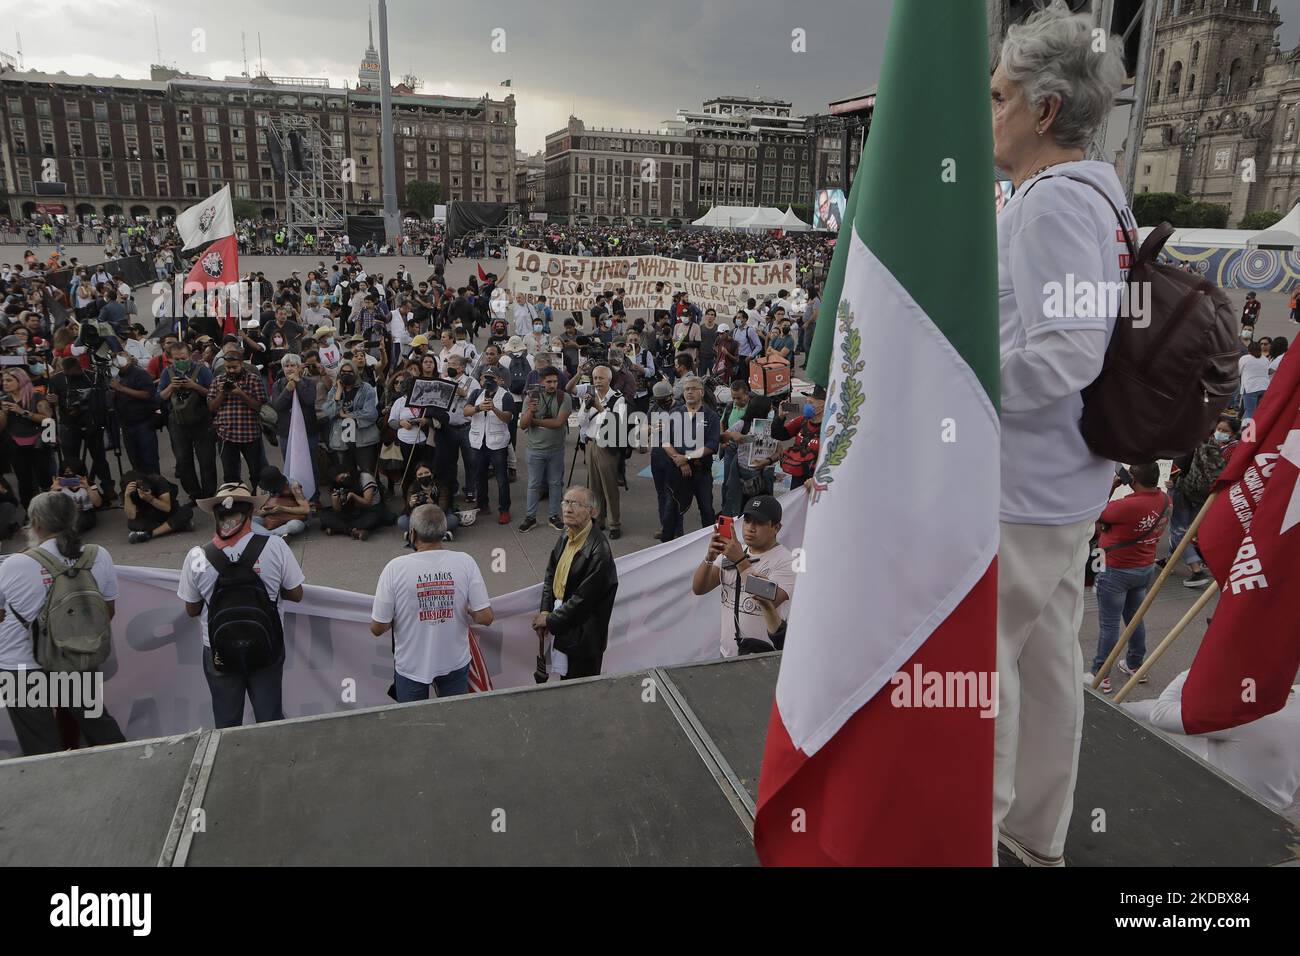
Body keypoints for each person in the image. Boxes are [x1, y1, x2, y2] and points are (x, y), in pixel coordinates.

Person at [990, 1, 1128, 868]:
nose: (990, 112)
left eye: (1000, 97)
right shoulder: (1100, 196)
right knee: (1046, 671)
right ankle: (1036, 837)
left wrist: (963, 386)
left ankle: (977, 837)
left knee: (987, 680)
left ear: (1044, 110)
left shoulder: (1049, 205)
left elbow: (1068, 349)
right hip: (1063, 481)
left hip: (1020, 487)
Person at [0, 492, 126, 756]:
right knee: (99, 728)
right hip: (77, 657)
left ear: (35, 523)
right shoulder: (97, 555)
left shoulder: (14, 565)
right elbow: (107, 611)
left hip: (21, 668)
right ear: (74, 517)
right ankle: (129, 769)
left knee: (40, 747)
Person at [179, 482, 305, 728]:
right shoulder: (276, 546)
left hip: (218, 650)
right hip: (267, 645)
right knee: (270, 719)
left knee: (227, 722)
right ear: (251, 513)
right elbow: (296, 593)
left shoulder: (196, 556)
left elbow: (192, 609)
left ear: (216, 514)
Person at [1124, 671, 1300, 816]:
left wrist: (1198, 668)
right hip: (1281, 808)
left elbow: (1159, 714)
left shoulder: (1243, 715)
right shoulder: (1291, 700)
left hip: (1230, 812)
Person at [369, 505, 493, 700]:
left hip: (411, 666)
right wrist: (465, 609)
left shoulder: (394, 569)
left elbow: (377, 627)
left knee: (413, 728)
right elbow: (485, 617)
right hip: (454, 661)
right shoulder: (465, 562)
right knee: (454, 725)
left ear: (412, 533)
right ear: (444, 532)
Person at [1083, 462, 1168, 693]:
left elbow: (1095, 511)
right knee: (1134, 619)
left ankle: (1100, 674)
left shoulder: (1126, 505)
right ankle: (1134, 664)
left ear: (1132, 479)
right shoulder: (1164, 501)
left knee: (1109, 624)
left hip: (1116, 570)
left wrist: (1111, 485)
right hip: (1143, 568)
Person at [690, 494, 796, 657]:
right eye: (747, 520)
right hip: (726, 654)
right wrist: (710, 557)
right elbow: (699, 588)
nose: (750, 528)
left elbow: (769, 600)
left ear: (777, 527)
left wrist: (740, 561)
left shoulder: (787, 561)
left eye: (759, 522)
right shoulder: (733, 552)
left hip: (763, 657)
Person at [533, 486, 618, 680]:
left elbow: (583, 600)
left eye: (575, 504)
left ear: (592, 511)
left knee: (579, 691)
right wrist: (545, 610)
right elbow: (551, 575)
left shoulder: (599, 551)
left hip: (583, 638)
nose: (567, 509)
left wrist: (549, 620)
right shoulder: (566, 534)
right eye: (565, 502)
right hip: (565, 625)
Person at [1166, 417, 1239, 588]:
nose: (1219, 433)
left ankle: (1196, 569)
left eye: (1225, 430)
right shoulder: (1219, 447)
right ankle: (1169, 561)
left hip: (1186, 491)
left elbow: (1179, 465)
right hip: (1203, 495)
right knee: (1187, 530)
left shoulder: (1195, 443)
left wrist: (1171, 480)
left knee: (1178, 530)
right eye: (1218, 429)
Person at [656, 376, 720, 541]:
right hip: (677, 470)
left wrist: (687, 458)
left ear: (702, 392)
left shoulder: (711, 416)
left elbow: (712, 445)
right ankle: (666, 545)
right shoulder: (675, 413)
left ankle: (710, 544)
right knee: (671, 509)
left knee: (706, 509)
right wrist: (680, 460)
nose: (689, 392)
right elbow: (665, 442)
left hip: (701, 471)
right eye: (686, 389)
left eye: (693, 388)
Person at [157, 342, 217, 503]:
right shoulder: (167, 373)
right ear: (170, 359)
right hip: (178, 424)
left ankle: (209, 494)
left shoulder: (202, 370)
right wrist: (171, 387)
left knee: (206, 460)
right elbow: (160, 397)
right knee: (183, 461)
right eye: (177, 359)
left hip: (202, 422)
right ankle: (194, 494)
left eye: (183, 358)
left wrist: (194, 386)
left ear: (190, 356)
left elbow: (213, 394)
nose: (180, 361)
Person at [575, 365, 626, 539]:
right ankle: (598, 519)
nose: (597, 381)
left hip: (607, 446)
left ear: (609, 380)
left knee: (609, 486)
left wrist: (601, 408)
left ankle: (614, 524)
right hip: (590, 444)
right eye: (595, 378)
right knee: (594, 486)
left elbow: (616, 423)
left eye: (600, 378)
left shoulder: (618, 399)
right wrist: (589, 407)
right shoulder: (589, 396)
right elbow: (581, 421)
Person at [518, 366, 572, 533]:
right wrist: (530, 412)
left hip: (556, 449)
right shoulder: (530, 398)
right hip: (535, 450)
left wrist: (535, 421)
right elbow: (522, 425)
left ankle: (554, 516)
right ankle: (530, 517)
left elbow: (558, 423)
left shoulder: (564, 397)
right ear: (540, 382)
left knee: (555, 484)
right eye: (548, 382)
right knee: (533, 485)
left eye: (555, 381)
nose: (552, 385)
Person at [209, 346, 268, 490]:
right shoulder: (218, 381)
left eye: (234, 367)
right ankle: (236, 504)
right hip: (226, 435)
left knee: (257, 472)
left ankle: (258, 500)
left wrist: (241, 393)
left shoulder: (253, 379)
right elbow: (211, 407)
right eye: (228, 367)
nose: (231, 370)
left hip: (250, 434)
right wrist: (222, 393)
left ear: (242, 364)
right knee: (230, 475)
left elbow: (259, 406)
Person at [465, 367, 515, 524]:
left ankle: (504, 510)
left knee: (501, 479)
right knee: (479, 476)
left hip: (497, 444)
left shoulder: (505, 396)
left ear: (500, 380)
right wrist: (479, 408)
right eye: (485, 377)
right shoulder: (476, 394)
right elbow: (466, 411)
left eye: (492, 378)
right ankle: (482, 505)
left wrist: (494, 408)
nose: (488, 381)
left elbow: (508, 417)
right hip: (478, 442)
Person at [718, 378, 773, 516]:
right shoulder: (737, 416)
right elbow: (723, 433)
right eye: (733, 397)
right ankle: (729, 512)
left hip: (760, 469)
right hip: (740, 462)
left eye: (739, 397)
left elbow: (776, 448)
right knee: (732, 488)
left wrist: (768, 461)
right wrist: (729, 438)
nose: (736, 401)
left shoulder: (768, 424)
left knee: (758, 498)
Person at [0, 367, 54, 506]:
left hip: (37, 443)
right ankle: (29, 511)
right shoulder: (4, 400)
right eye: (3, 380)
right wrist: (4, 413)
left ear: (21, 381)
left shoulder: (36, 397)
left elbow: (48, 419)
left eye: (9, 380)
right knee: (24, 481)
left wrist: (22, 412)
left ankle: (50, 507)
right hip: (15, 445)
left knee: (44, 478)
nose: (4, 383)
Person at [109, 348, 161, 477]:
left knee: (149, 461)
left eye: (121, 354)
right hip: (126, 425)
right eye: (115, 356)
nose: (118, 358)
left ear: (130, 357)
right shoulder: (117, 377)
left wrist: (121, 388)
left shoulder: (140, 374)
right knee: (136, 463)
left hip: (143, 423)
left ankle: (158, 491)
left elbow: (148, 394)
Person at [123, 471, 193, 544]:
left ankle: (150, 534)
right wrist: (127, 496)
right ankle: (178, 526)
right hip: (150, 516)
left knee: (186, 511)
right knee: (132, 524)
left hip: (168, 513)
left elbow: (167, 508)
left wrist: (150, 499)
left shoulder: (158, 481)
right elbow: (131, 516)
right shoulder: (129, 492)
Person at [319, 464, 384, 540]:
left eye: (343, 477)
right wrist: (335, 500)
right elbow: (338, 510)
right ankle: (352, 531)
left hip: (369, 510)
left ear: (348, 472)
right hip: (352, 512)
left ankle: (338, 528)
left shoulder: (365, 477)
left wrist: (353, 495)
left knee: (373, 519)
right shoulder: (338, 485)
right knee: (324, 515)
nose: (343, 481)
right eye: (340, 480)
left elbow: (367, 502)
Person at [253, 465, 310, 538]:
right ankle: (274, 534)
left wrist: (283, 509)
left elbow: (306, 509)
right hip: (270, 519)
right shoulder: (262, 487)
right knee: (248, 522)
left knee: (294, 526)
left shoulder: (294, 486)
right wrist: (265, 512)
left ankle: (267, 535)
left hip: (291, 519)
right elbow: (260, 510)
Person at [51, 463, 102, 533]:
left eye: (73, 472)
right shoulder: (60, 486)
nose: (70, 475)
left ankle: (67, 532)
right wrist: (53, 490)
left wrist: (87, 487)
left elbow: (98, 503)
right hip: (66, 514)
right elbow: (50, 507)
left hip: (85, 513)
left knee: (78, 521)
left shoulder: (89, 484)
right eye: (67, 472)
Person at [1238, 340, 1272, 421]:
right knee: (1259, 412)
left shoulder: (1244, 358)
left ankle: (1246, 430)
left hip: (1250, 387)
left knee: (1250, 411)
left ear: (1248, 350)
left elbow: (1238, 372)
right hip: (1264, 387)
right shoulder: (1265, 359)